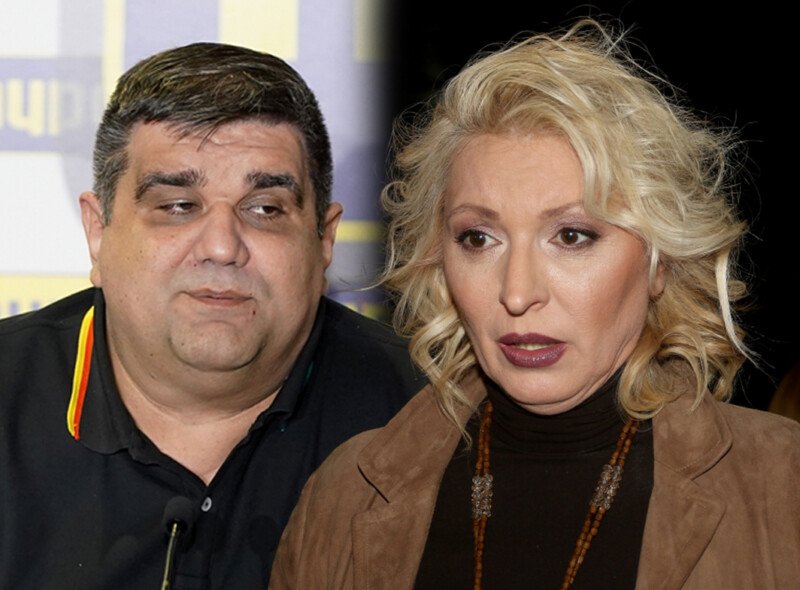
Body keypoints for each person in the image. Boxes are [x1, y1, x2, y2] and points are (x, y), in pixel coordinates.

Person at [269, 20, 800, 589]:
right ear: (438, 260)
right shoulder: (344, 497)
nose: (518, 293)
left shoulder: (782, 486)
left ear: (660, 261)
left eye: (571, 236)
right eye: (479, 238)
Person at [0, 42, 423, 590]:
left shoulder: (429, 416)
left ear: (324, 240)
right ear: (98, 232)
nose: (222, 247)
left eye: (265, 209)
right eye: (178, 206)